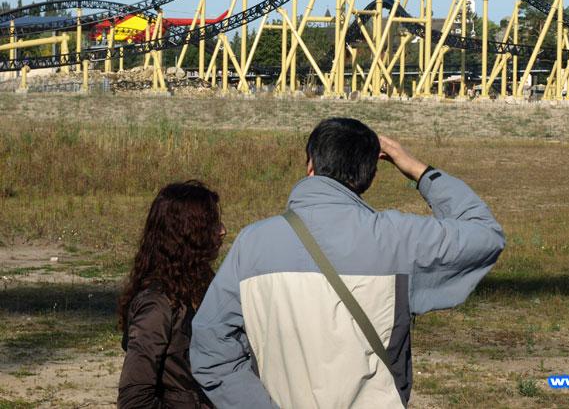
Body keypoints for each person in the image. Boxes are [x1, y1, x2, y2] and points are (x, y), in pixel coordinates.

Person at [190, 118, 504, 408]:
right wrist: (418, 170)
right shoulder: (399, 239)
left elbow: (211, 349)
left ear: (310, 165)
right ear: (370, 176)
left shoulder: (252, 244)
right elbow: (486, 235)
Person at [117, 180, 227, 408]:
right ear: (188, 232)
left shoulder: (202, 285)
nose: (223, 230)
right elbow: (134, 401)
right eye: (212, 224)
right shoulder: (156, 306)